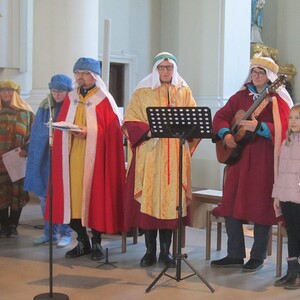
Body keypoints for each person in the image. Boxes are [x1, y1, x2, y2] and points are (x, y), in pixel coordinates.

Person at [211, 56, 293, 272]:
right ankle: (235, 254)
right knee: (230, 204)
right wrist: (226, 133)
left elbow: (286, 128)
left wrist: (261, 127)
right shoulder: (239, 97)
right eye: (254, 72)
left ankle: (257, 256)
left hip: (262, 159)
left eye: (261, 73)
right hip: (237, 159)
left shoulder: (278, 100)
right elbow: (221, 116)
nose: (256, 76)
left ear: (270, 77)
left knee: (259, 207)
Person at [122, 52, 200, 267]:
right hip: (151, 156)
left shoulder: (183, 91)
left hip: (175, 156)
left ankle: (165, 252)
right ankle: (149, 251)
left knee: (171, 205)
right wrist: (148, 131)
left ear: (174, 69)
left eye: (169, 68)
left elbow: (194, 120)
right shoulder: (142, 91)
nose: (165, 71)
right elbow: (130, 119)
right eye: (161, 68)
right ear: (155, 69)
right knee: (150, 202)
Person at [49, 57, 125, 261]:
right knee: (72, 201)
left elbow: (113, 131)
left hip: (96, 161)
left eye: (83, 73)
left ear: (94, 76)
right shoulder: (71, 97)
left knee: (94, 200)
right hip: (72, 159)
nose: (79, 77)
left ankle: (97, 242)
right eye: (77, 73)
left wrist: (89, 131)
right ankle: (82, 241)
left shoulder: (103, 98)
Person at [24, 74, 73, 247]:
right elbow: (37, 131)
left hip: (63, 159)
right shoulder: (45, 106)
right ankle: (49, 233)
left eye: (61, 91)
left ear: (68, 91)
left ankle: (65, 233)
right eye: (54, 91)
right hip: (45, 158)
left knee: (62, 197)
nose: (57, 94)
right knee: (45, 197)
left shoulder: (72, 106)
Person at [0, 80, 34, 237]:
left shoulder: (26, 112)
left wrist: (26, 149)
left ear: (16, 93)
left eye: (10, 90)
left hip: (17, 160)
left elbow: (35, 135)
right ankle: (2, 225)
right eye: (3, 90)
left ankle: (12, 225)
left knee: (17, 192)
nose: (7, 93)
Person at [272, 104, 300, 289]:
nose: (293, 121)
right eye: (291, 118)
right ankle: (291, 271)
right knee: (291, 234)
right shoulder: (286, 142)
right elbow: (281, 172)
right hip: (286, 196)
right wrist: (277, 195)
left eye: (297, 118)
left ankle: (298, 273)